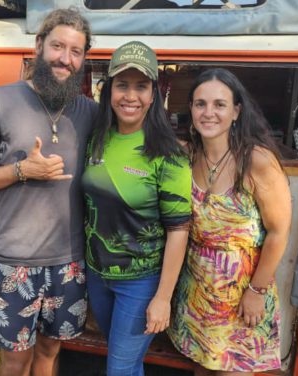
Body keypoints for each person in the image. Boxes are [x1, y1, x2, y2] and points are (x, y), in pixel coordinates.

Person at [0, 9, 96, 376]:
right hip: (13, 262)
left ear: (83, 59)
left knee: (50, 353)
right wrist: (21, 170)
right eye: (57, 46)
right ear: (38, 45)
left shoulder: (90, 113)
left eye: (76, 51)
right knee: (15, 361)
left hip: (69, 262)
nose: (65, 59)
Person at [168, 68, 291, 375]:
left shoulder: (256, 161)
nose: (209, 113)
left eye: (219, 105)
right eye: (200, 104)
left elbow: (278, 232)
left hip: (242, 295)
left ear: (236, 111)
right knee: (202, 369)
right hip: (196, 290)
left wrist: (257, 291)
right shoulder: (188, 155)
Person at [82, 41, 192, 376]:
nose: (131, 96)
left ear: (154, 94)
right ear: (109, 89)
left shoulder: (168, 153)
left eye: (141, 86)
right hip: (97, 276)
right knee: (127, 366)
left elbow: (178, 230)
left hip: (141, 282)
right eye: (122, 85)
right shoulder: (95, 138)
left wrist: (162, 298)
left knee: (118, 369)